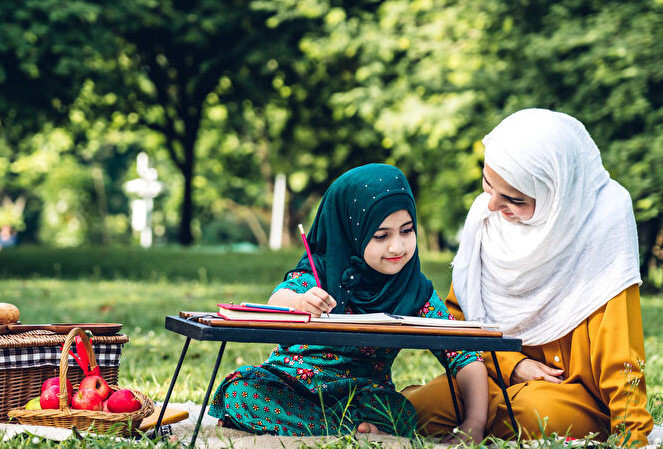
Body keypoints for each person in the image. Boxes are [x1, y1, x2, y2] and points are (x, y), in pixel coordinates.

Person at [404, 109, 653, 445]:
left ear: (556, 196)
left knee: (527, 414)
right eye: (487, 184)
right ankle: (477, 416)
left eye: (514, 199)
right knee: (416, 409)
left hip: (571, 393)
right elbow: (460, 323)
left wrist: (632, 433)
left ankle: (480, 420)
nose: (492, 205)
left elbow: (619, 349)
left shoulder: (600, 227)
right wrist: (513, 365)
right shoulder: (487, 221)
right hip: (491, 377)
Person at [208, 164, 489, 440]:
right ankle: (348, 429)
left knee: (400, 411)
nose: (397, 247)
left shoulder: (413, 290)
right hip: (291, 385)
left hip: (362, 394)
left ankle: (325, 425)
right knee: (243, 392)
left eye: (406, 230)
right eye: (381, 235)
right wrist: (300, 303)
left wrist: (474, 421)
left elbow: (463, 352)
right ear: (351, 232)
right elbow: (277, 301)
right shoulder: (320, 272)